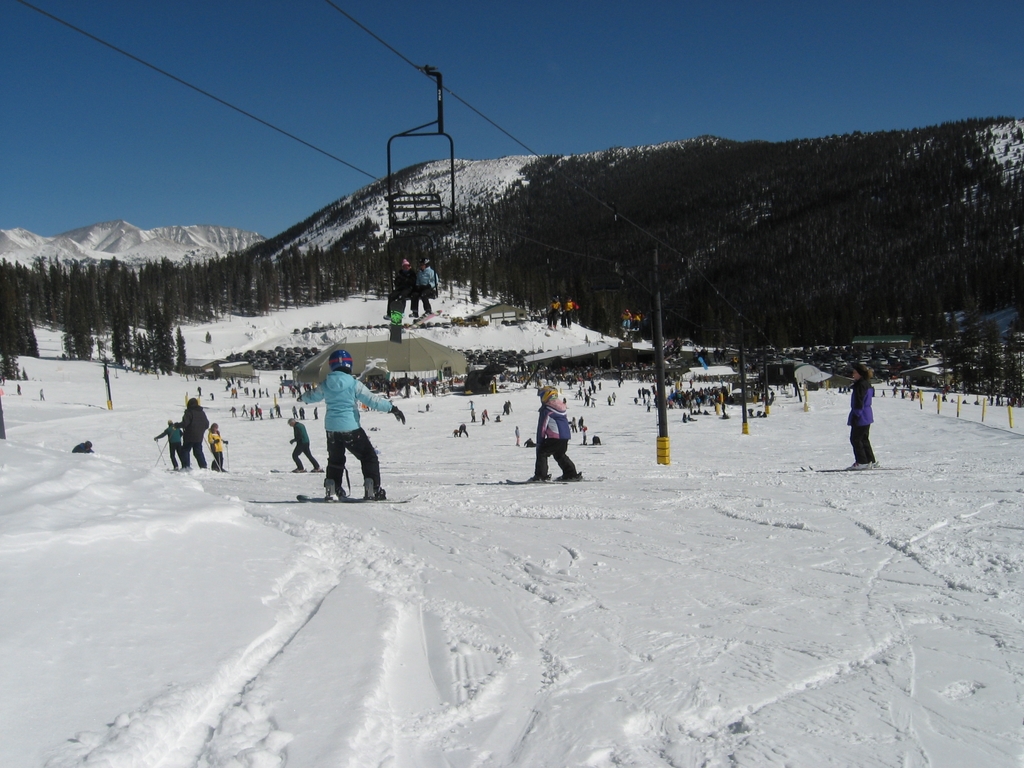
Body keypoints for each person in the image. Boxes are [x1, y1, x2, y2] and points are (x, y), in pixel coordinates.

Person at [301, 349, 405, 500]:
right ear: (349, 364)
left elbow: (312, 396)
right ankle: (373, 489)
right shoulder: (354, 384)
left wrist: (302, 397)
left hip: (331, 429)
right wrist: (392, 408)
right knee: (368, 457)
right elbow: (372, 400)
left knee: (335, 459)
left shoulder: (325, 384)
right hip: (350, 427)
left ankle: (333, 488)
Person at [530, 386, 582, 482]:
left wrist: (539, 442)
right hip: (565, 436)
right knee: (560, 454)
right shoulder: (561, 407)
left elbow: (542, 427)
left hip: (554, 437)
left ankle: (541, 475)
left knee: (542, 453)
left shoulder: (547, 410)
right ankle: (570, 473)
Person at [848, 362, 877, 469]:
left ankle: (862, 462)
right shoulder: (866, 383)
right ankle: (870, 460)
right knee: (864, 438)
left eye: (855, 372)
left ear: (860, 373)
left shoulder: (860, 385)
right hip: (867, 415)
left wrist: (856, 415)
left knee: (856, 439)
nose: (853, 375)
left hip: (861, 415)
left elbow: (859, 402)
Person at [176, 397, 210, 469]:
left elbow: (185, 423)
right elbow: (206, 424)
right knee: (198, 451)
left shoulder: (189, 412)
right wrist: (200, 429)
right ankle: (203, 466)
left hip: (189, 435)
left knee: (185, 450)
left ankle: (186, 466)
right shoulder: (202, 412)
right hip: (199, 436)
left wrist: (177, 425)